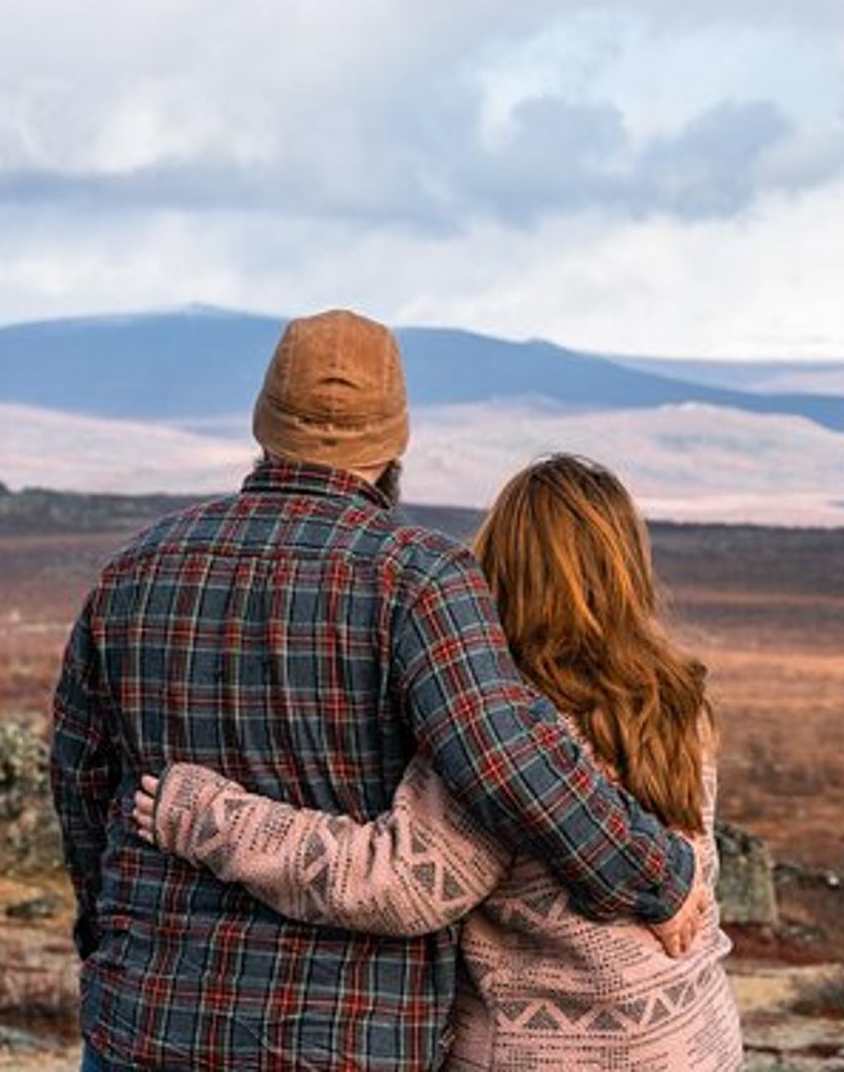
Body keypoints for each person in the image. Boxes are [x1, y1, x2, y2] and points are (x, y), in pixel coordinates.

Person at [49, 311, 706, 1070]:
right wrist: (659, 877)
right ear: (395, 442)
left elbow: (82, 780)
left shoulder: (137, 567)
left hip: (146, 1017)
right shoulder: (419, 578)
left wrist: (105, 937)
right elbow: (507, 762)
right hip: (348, 1031)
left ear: (263, 424)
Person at [131, 455, 742, 1069]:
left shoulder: (500, 724)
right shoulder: (677, 701)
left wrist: (211, 817)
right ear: (627, 569)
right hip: (698, 1037)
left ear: (497, 564)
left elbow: (400, 884)